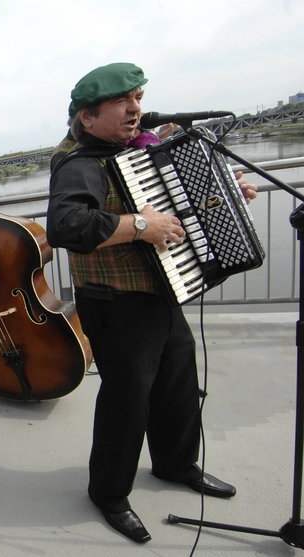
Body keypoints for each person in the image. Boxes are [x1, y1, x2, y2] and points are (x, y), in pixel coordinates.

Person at [46, 62, 256, 544]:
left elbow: (180, 210)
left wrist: (228, 195)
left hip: (163, 291)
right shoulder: (81, 162)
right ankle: (110, 493)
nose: (135, 108)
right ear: (86, 117)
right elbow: (67, 226)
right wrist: (140, 226)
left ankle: (175, 463)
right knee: (127, 401)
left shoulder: (141, 151)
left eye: (137, 98)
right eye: (122, 102)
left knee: (179, 386)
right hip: (115, 304)